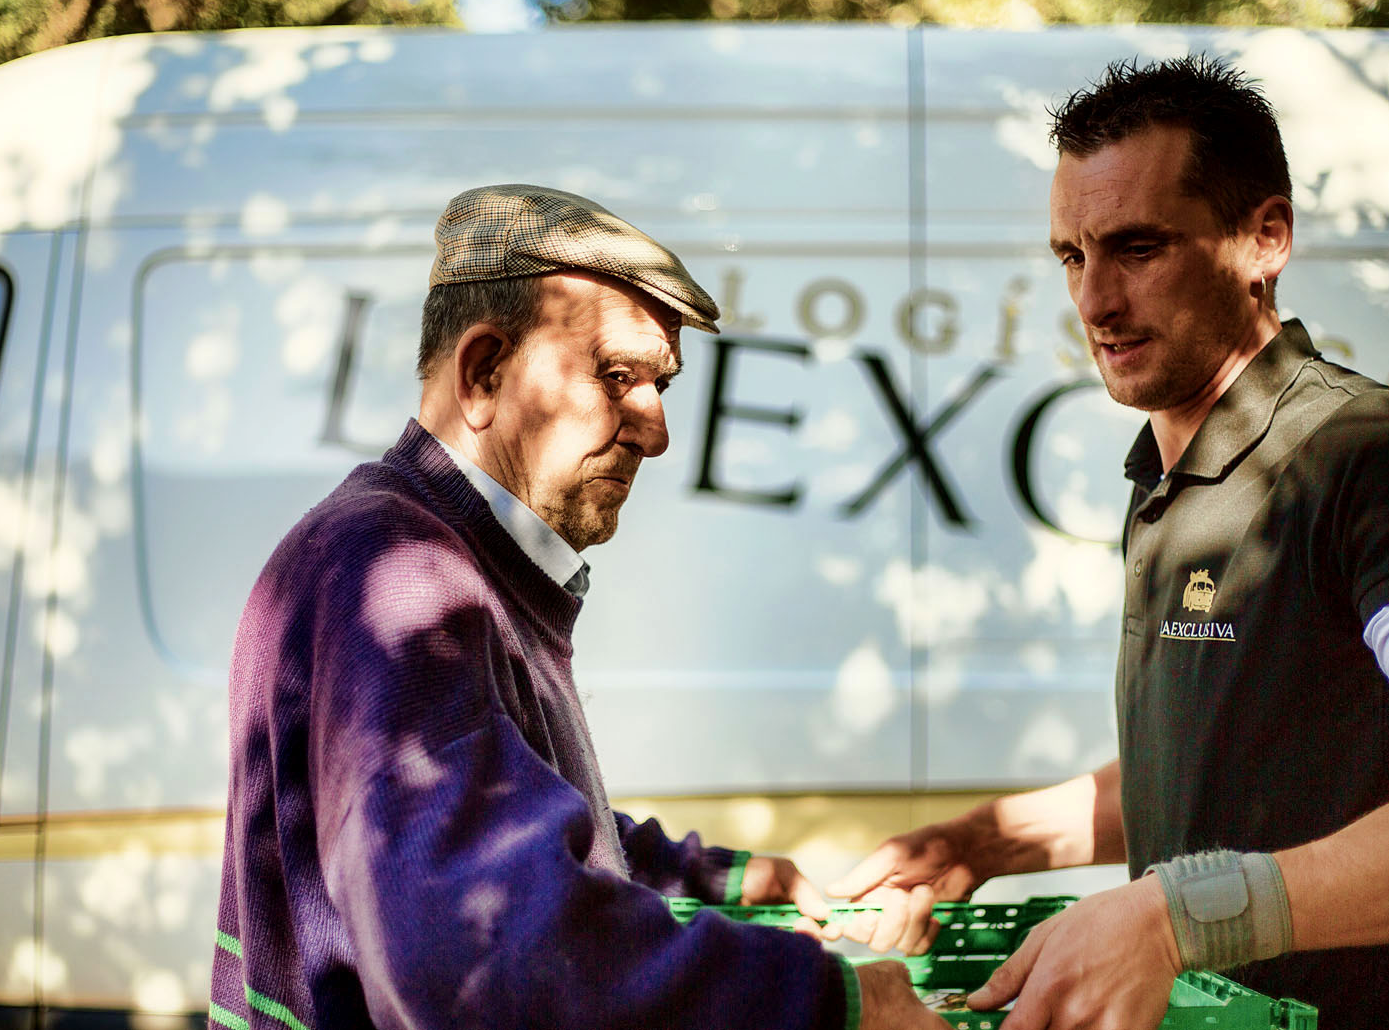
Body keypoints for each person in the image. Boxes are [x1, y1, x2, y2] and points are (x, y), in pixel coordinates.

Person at [829, 56, 1389, 1029]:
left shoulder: (1369, 451)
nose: (1095, 302)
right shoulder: (1162, 476)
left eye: (1138, 248)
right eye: (1071, 255)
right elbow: (1216, 771)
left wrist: (1178, 917)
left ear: (1265, 238)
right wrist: (984, 841)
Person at [210, 184, 943, 1030]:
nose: (656, 430)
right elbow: (480, 949)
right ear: (483, 372)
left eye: (660, 384)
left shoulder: (438, 555)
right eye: (616, 376)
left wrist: (730, 885)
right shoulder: (400, 573)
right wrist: (836, 1001)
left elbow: (507, 823)